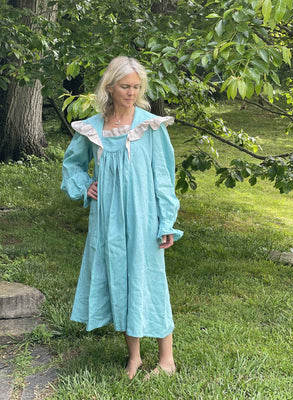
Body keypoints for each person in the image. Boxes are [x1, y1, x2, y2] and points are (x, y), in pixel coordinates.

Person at [61, 56, 183, 379]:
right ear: (110, 87)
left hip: (144, 217)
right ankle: (135, 357)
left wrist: (166, 220)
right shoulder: (94, 128)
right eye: (125, 86)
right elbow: (71, 165)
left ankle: (167, 359)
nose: (131, 92)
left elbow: (163, 178)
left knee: (150, 278)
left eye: (136, 87)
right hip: (108, 219)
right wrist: (84, 186)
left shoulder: (149, 126)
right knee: (121, 277)